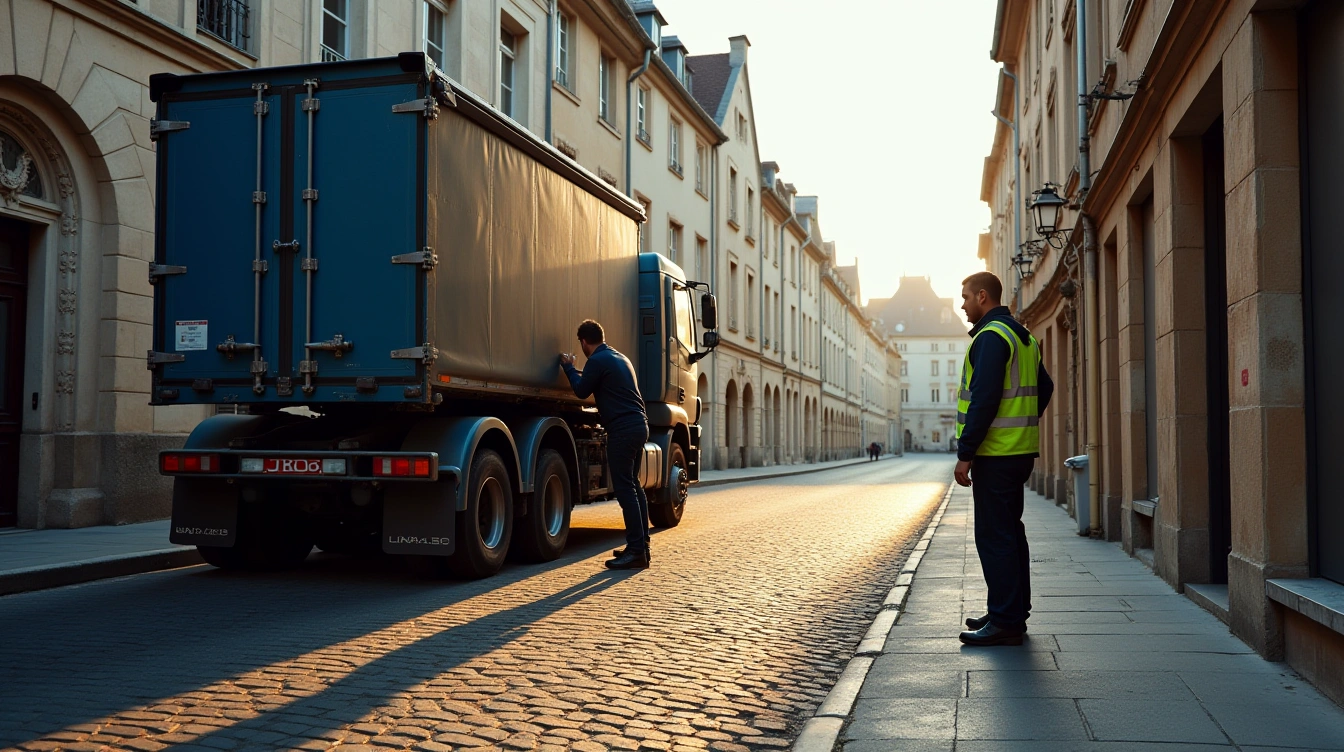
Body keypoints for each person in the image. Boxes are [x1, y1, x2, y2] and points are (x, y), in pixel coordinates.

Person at [954, 271, 1054, 646]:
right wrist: (1022, 424)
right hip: (1018, 451)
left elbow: (984, 400)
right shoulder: (1020, 334)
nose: (962, 305)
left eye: (965, 297)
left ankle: (1006, 621)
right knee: (1011, 534)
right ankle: (1008, 611)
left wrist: (966, 454)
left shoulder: (992, 337)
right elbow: (1045, 387)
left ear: (983, 296)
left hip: (996, 455)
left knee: (995, 537)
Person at [560, 320, 651, 570]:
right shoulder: (619, 357)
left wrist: (568, 367)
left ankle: (636, 551)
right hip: (639, 425)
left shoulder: (597, 361)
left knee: (625, 491)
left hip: (622, 430)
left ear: (583, 342)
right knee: (634, 487)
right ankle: (641, 546)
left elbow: (580, 390)